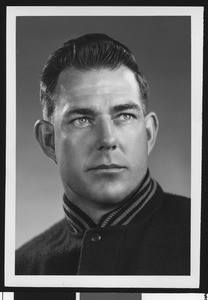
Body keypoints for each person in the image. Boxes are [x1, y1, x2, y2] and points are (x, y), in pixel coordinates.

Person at [15, 33, 190, 275]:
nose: (107, 140)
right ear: (49, 140)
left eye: (125, 116)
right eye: (82, 119)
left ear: (148, 133)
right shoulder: (21, 268)